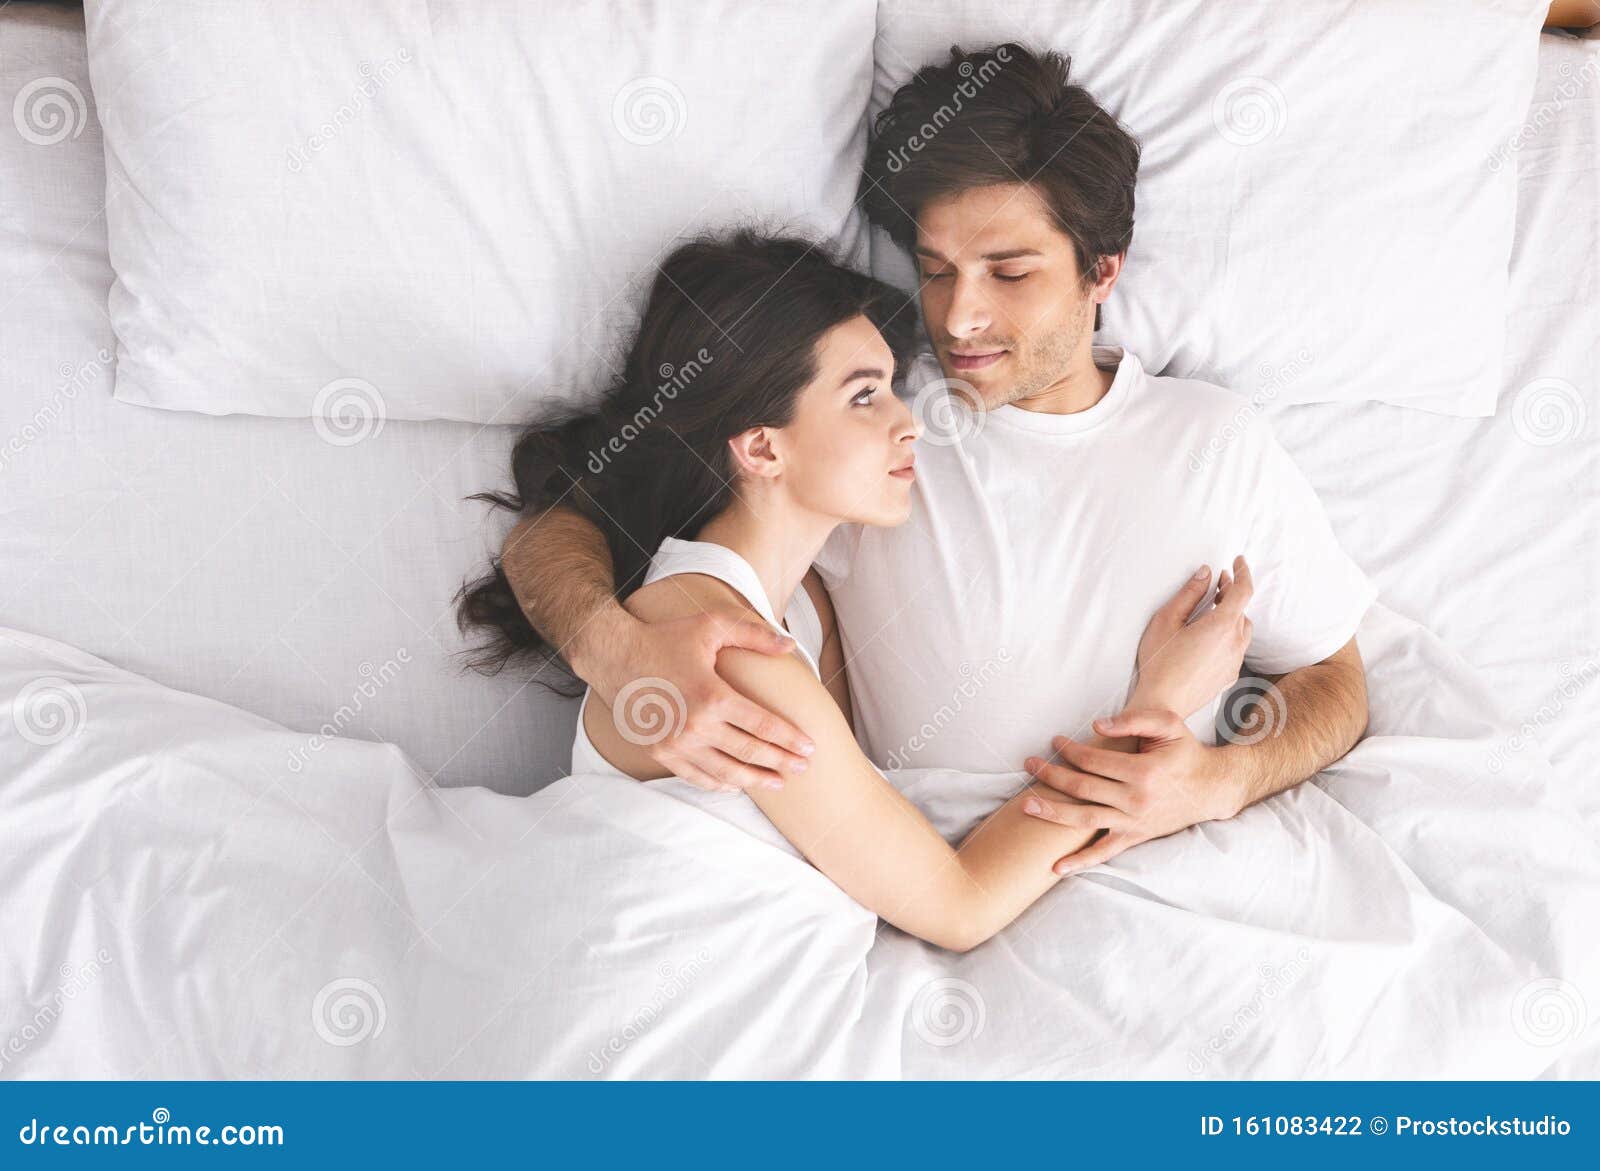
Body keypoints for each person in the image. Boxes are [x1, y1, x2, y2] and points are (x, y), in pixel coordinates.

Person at [491, 44, 1375, 880]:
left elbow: (1333, 678)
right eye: (938, 270)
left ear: (1102, 270)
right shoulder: (864, 410)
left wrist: (1218, 782)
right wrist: (612, 650)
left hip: (1125, 867)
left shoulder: (1217, 439)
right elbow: (566, 520)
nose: (959, 319)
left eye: (1010, 272)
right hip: (917, 874)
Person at [458, 231, 1255, 952]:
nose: (911, 424)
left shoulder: (798, 608)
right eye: (865, 395)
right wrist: (1156, 706)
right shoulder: (726, 647)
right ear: (762, 447)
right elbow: (959, 905)